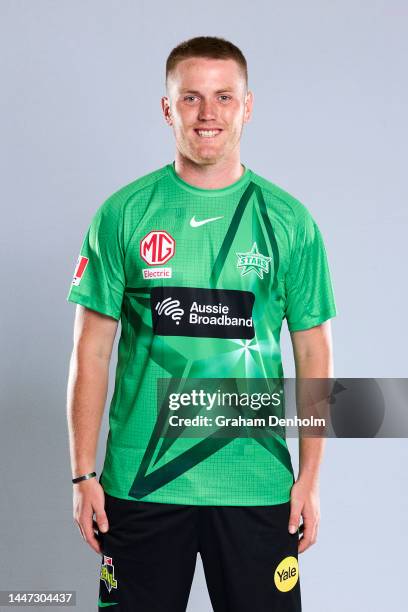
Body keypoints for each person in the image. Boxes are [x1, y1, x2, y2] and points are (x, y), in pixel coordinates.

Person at [66, 36, 336, 612]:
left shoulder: (290, 221)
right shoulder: (124, 213)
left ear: (248, 106)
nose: (208, 113)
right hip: (139, 486)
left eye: (223, 97)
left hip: (257, 483)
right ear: (167, 109)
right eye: (190, 98)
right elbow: (90, 353)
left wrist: (309, 478)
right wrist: (82, 474)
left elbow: (315, 356)